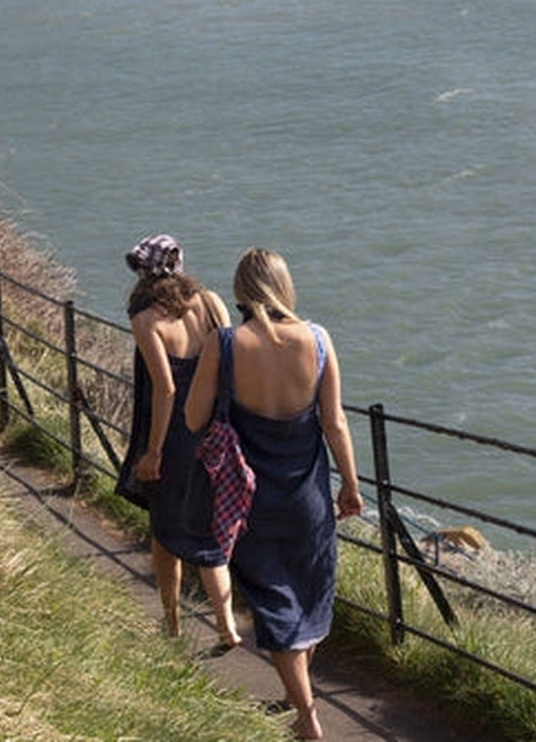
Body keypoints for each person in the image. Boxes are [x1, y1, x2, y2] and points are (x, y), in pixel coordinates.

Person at [184, 247, 363, 741]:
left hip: (249, 500)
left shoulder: (224, 343)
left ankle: (305, 716)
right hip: (308, 495)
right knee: (308, 597)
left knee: (273, 600)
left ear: (241, 291)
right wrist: (350, 483)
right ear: (285, 286)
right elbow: (335, 422)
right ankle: (299, 700)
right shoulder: (319, 340)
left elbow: (194, 419)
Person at [117, 233, 241, 652]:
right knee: (209, 533)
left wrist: (153, 452)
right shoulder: (209, 301)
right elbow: (231, 362)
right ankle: (226, 627)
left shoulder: (145, 317)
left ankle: (172, 625)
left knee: (165, 531)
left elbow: (165, 390)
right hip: (215, 429)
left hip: (174, 436)